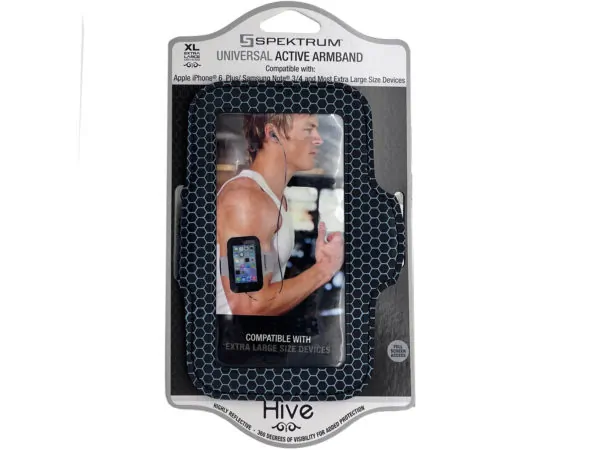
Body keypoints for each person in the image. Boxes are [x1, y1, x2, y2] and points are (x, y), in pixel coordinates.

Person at [216, 114, 344, 316]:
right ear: (273, 134)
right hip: (229, 334)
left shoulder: (274, 198)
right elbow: (249, 303)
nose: (319, 139)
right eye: (308, 129)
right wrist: (324, 269)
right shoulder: (246, 200)